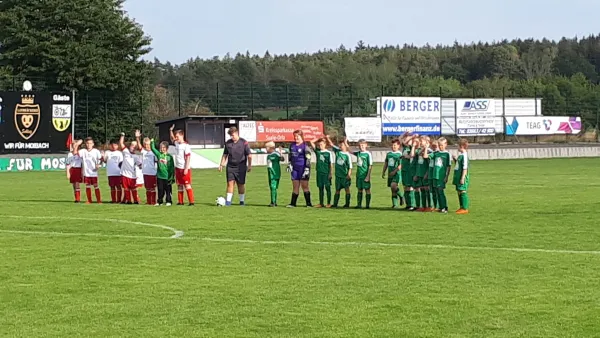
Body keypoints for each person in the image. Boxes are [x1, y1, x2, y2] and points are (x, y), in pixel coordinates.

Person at [219, 127, 252, 206]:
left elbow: (249, 155)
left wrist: (249, 165)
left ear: (237, 133)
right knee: (230, 183)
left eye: (233, 135)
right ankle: (228, 202)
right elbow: (225, 154)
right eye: (230, 135)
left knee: (240, 184)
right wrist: (221, 164)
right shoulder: (228, 143)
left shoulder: (244, 143)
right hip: (230, 167)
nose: (232, 137)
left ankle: (242, 201)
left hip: (241, 167)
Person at [169, 125, 194, 206]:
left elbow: (188, 157)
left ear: (182, 135)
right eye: (176, 136)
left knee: (187, 185)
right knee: (179, 185)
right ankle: (180, 201)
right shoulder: (177, 143)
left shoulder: (186, 146)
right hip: (178, 168)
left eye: (177, 136)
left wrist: (186, 168)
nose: (176, 138)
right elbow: (172, 138)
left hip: (184, 168)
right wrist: (170, 130)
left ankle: (191, 201)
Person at [286, 130, 312, 208]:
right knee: (295, 186)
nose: (296, 137)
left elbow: (308, 158)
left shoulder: (305, 146)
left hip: (303, 168)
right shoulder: (292, 145)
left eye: (297, 136)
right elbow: (290, 156)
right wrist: (289, 164)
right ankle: (293, 203)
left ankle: (308, 204)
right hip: (295, 169)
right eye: (295, 136)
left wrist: (307, 168)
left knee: (304, 186)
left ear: (301, 136)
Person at [73, 137, 102, 204]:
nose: (89, 145)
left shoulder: (96, 151)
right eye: (87, 143)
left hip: (94, 172)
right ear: (86, 144)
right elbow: (75, 153)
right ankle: (89, 200)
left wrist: (99, 165)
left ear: (93, 144)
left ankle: (99, 200)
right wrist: (77, 145)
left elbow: (101, 159)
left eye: (90, 143)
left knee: (96, 185)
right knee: (87, 186)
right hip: (86, 172)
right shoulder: (83, 151)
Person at [326, 136, 352, 208]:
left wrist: (348, 175)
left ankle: (347, 204)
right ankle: (335, 204)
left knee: (347, 190)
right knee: (337, 190)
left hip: (344, 176)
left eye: (342, 145)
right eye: (340, 145)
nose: (340, 146)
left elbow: (350, 167)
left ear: (346, 146)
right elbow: (331, 144)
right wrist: (328, 138)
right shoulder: (337, 151)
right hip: (338, 176)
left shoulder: (347, 155)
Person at [308, 138, 334, 208]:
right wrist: (318, 138)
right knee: (320, 188)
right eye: (319, 145)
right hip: (319, 173)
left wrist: (330, 173)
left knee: (327, 188)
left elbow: (331, 164)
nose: (320, 146)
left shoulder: (328, 153)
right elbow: (311, 141)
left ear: (325, 144)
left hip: (326, 173)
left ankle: (328, 203)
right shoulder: (318, 151)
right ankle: (321, 203)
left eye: (322, 144)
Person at [150, 139, 175, 206]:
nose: (162, 149)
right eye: (161, 147)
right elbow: (152, 148)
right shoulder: (159, 154)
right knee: (160, 189)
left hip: (167, 176)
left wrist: (172, 176)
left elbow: (172, 167)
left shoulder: (170, 157)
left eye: (163, 147)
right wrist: (152, 142)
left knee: (168, 190)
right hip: (159, 176)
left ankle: (168, 201)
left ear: (167, 148)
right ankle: (159, 201)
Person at [119, 132, 142, 204]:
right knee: (126, 188)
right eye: (132, 145)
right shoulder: (126, 151)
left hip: (133, 175)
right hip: (125, 174)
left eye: (135, 146)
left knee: (133, 188)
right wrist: (122, 135)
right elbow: (121, 143)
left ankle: (135, 200)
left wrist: (141, 166)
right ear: (130, 146)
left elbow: (140, 164)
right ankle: (128, 200)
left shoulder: (137, 155)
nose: (134, 147)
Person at [136, 130, 157, 205]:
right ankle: (149, 202)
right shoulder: (144, 152)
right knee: (147, 188)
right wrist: (137, 137)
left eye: (148, 144)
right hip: (145, 172)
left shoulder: (154, 152)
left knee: (153, 188)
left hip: (152, 173)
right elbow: (139, 146)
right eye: (145, 145)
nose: (147, 146)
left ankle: (153, 201)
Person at [350, 139, 373, 209]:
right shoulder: (358, 153)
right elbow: (350, 151)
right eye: (360, 145)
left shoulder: (368, 154)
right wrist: (345, 143)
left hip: (365, 175)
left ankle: (367, 205)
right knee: (359, 189)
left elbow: (370, 165)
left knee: (367, 189)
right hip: (359, 175)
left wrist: (368, 176)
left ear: (366, 145)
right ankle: (359, 204)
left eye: (363, 145)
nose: (361, 146)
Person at [432, 137, 451, 213]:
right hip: (435, 175)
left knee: (440, 191)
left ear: (446, 145)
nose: (440, 147)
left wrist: (446, 176)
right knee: (437, 191)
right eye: (439, 145)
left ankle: (444, 207)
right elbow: (426, 156)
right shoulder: (436, 153)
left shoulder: (447, 154)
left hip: (441, 176)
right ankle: (440, 207)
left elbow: (448, 166)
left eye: (442, 145)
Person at [382, 139, 403, 208]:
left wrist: (394, 171)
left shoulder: (399, 154)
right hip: (390, 173)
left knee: (393, 186)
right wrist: (383, 172)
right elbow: (386, 163)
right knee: (392, 189)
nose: (393, 146)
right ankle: (395, 204)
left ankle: (402, 196)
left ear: (398, 146)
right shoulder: (389, 154)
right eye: (392, 145)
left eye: (395, 145)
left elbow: (400, 165)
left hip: (396, 174)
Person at [453, 139, 470, 214]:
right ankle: (461, 207)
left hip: (462, 176)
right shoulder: (461, 155)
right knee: (459, 191)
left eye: (458, 146)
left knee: (463, 191)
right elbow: (459, 165)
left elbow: (465, 167)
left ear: (462, 146)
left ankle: (465, 208)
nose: (457, 147)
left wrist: (463, 177)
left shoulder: (465, 155)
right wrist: (455, 160)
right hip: (458, 175)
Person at [265, 141, 283, 207]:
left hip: (275, 173)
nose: (266, 149)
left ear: (271, 148)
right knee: (272, 187)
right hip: (270, 173)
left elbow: (282, 159)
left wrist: (281, 153)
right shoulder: (269, 155)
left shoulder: (276, 154)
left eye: (266, 147)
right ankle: (273, 201)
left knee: (273, 187)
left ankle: (273, 202)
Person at [424, 139, 439, 211]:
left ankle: (438, 206)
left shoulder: (438, 153)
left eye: (435, 146)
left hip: (436, 174)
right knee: (432, 191)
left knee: (437, 191)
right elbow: (425, 156)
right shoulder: (432, 153)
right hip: (430, 174)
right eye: (432, 146)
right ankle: (433, 206)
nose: (434, 147)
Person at [402, 133, 416, 211]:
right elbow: (400, 139)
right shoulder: (404, 147)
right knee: (405, 187)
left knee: (410, 187)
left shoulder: (411, 147)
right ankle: (408, 204)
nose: (405, 140)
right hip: (404, 169)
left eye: (408, 139)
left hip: (409, 170)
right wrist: (405, 133)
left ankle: (412, 204)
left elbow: (412, 155)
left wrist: (411, 137)